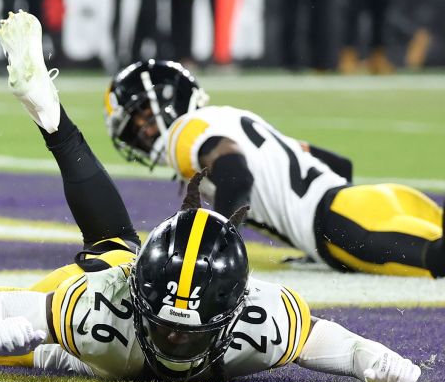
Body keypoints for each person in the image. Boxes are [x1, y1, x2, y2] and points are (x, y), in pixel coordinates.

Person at [0, 11, 421, 382]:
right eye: (168, 329)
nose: (174, 345)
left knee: (117, 244)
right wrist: (5, 330)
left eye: (185, 336)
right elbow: (313, 338)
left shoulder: (256, 320)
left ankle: (50, 117)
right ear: (137, 295)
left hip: (118, 280)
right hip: (81, 308)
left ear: (236, 313)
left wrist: (370, 357)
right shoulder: (95, 315)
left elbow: (321, 340)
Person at [105, 59, 444, 278]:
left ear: (169, 100)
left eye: (144, 120)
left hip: (343, 223)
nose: (143, 134)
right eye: (135, 130)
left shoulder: (183, 135)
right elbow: (339, 164)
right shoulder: (229, 117)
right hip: (374, 201)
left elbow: (236, 173)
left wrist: (217, 244)